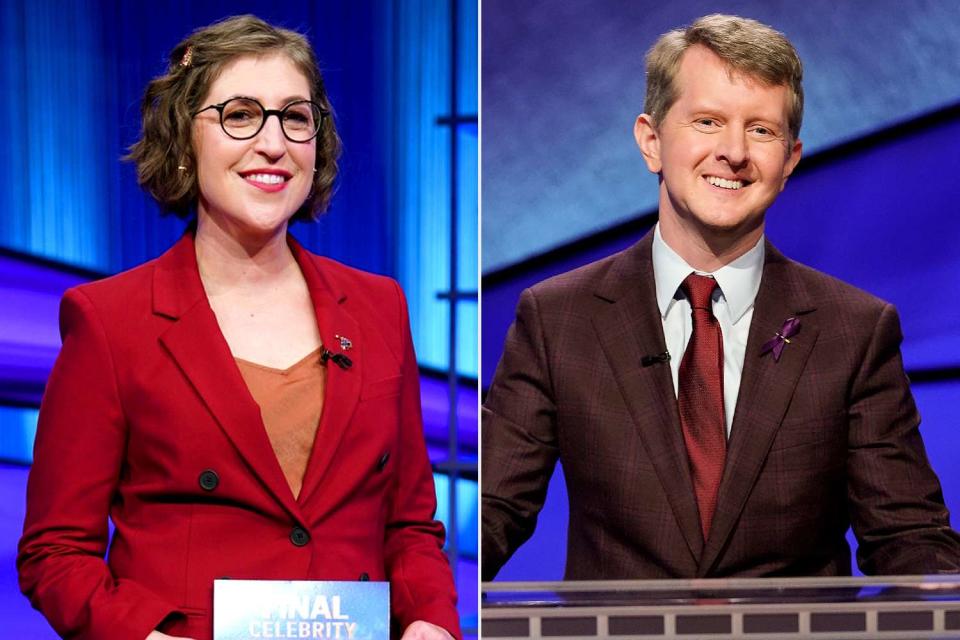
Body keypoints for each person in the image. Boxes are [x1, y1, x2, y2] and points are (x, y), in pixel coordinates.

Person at [18, 15, 459, 640]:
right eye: (241, 115)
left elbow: (409, 527)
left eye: (295, 117)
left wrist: (429, 621)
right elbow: (56, 553)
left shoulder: (377, 306)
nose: (273, 143)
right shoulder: (110, 321)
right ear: (184, 138)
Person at [481, 14, 960, 580]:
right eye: (708, 121)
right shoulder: (559, 318)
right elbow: (494, 511)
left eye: (761, 130)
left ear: (789, 162)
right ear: (651, 141)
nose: (733, 152)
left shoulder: (853, 330)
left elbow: (910, 541)